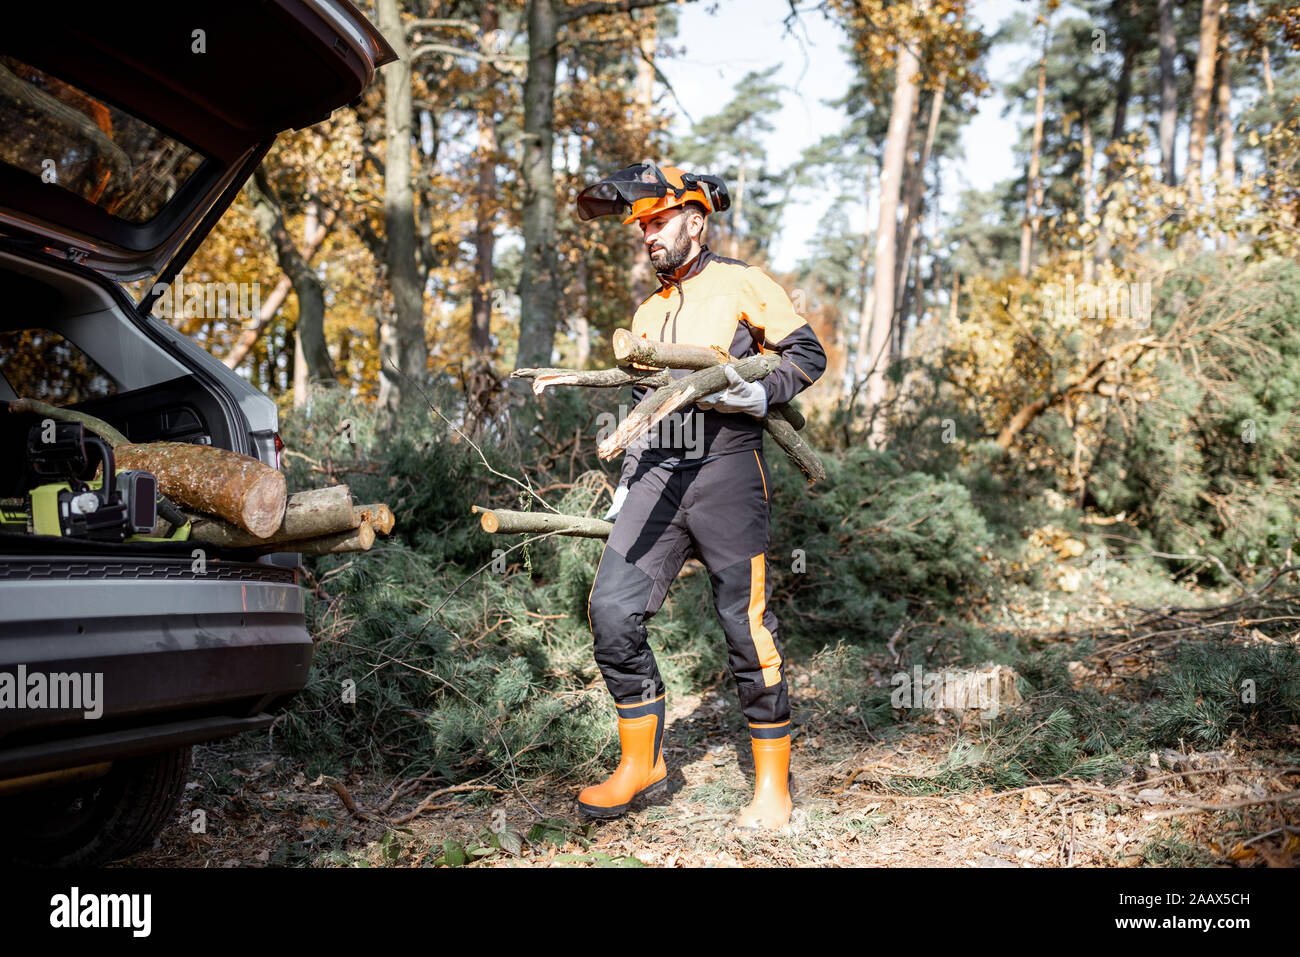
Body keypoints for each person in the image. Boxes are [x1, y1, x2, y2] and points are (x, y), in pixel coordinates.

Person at [573, 163, 827, 829]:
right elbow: (643, 404)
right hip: (657, 473)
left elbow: (808, 353)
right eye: (641, 227)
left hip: (727, 473)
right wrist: (628, 475)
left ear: (695, 219)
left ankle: (772, 787)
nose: (648, 236)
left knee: (747, 629)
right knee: (611, 609)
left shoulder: (741, 282)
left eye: (658, 222)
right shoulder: (647, 312)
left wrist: (758, 391)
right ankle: (641, 761)